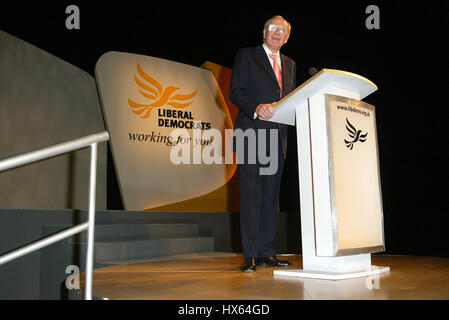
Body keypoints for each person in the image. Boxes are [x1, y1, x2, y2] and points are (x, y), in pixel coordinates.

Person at [229, 15, 297, 272]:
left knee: (270, 198)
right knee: (250, 196)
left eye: (282, 30)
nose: (277, 32)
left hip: (278, 140)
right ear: (264, 32)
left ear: (287, 37)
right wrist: (256, 107)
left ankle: (267, 252)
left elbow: (290, 98)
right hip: (251, 133)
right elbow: (236, 91)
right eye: (272, 28)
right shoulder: (246, 56)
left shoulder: (290, 64)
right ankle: (250, 255)